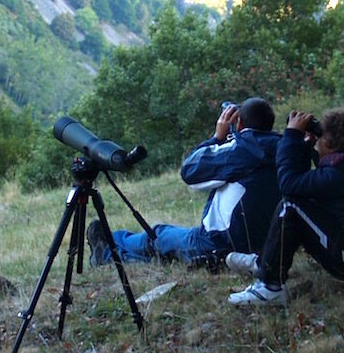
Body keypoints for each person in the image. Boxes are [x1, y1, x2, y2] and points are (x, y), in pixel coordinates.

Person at [226, 108, 344, 306]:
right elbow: (303, 188)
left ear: (335, 142)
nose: (319, 140)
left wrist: (292, 136)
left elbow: (289, 185)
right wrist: (304, 147)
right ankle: (263, 263)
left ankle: (271, 287)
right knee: (300, 203)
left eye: (322, 136)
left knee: (291, 208)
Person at [89, 97, 282, 268]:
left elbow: (190, 170)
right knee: (166, 246)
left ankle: (108, 249)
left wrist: (217, 138)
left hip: (217, 244)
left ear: (239, 123)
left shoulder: (240, 151)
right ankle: (111, 249)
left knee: (158, 236)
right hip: (262, 245)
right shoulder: (284, 151)